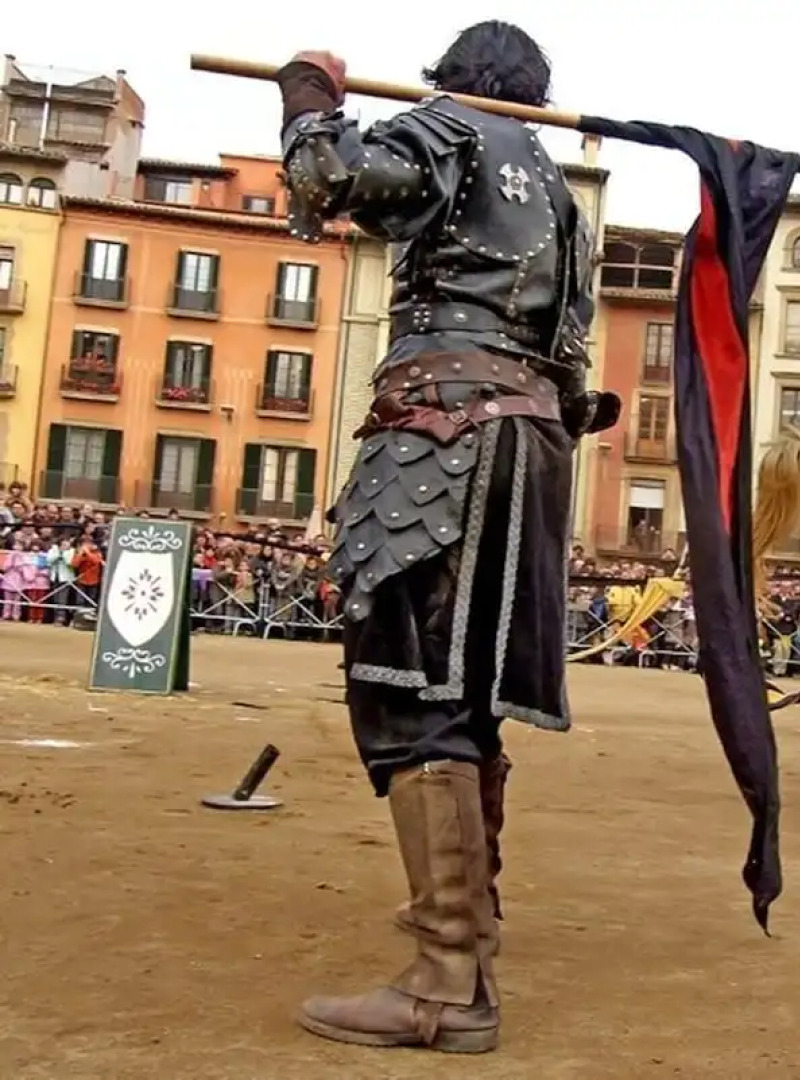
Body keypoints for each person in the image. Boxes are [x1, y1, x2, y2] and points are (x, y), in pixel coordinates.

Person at [273, 21, 619, 1055]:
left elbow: (332, 174)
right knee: (465, 695)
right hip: (532, 440)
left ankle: (446, 979)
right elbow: (570, 369)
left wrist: (307, 94)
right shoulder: (556, 196)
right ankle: (469, 936)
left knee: (407, 686)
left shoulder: (449, 129)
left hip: (441, 435)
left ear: (455, 81)